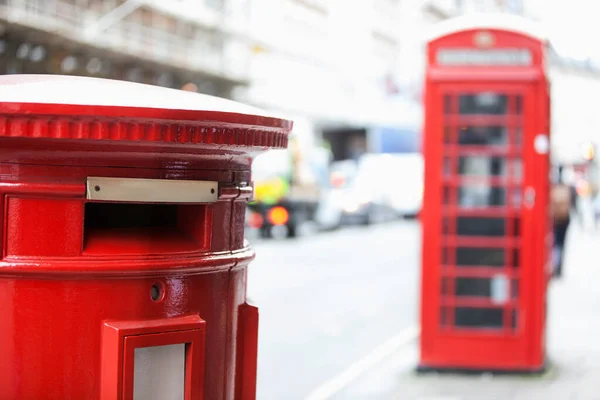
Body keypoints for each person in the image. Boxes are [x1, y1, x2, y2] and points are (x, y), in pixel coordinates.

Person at [551, 165, 572, 278]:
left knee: (556, 245)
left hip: (556, 220)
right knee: (561, 245)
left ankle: (555, 266)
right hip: (565, 220)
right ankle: (559, 268)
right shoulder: (566, 188)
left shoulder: (553, 188)